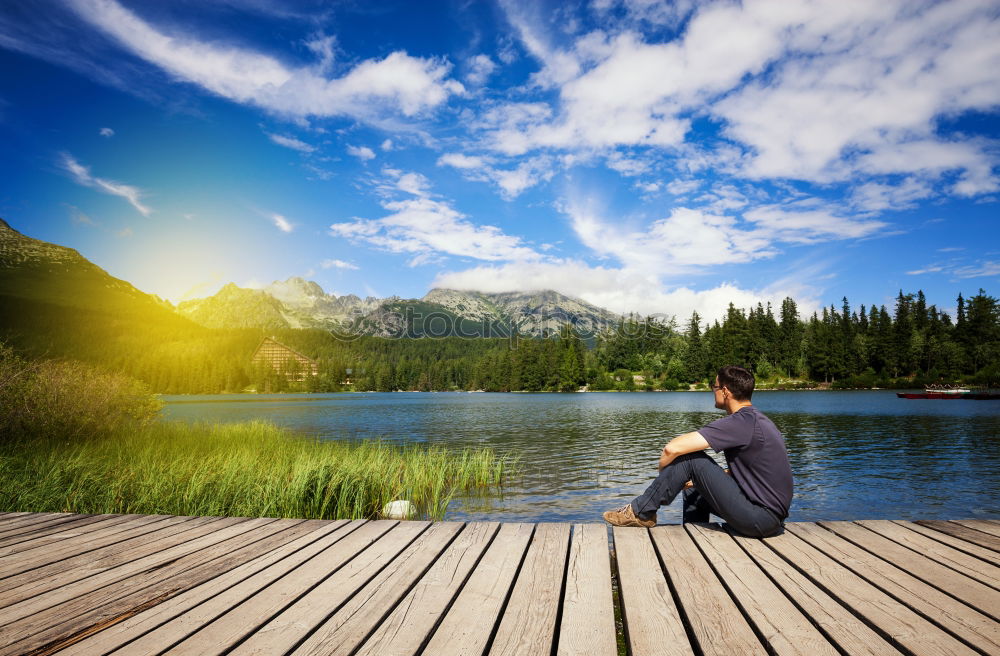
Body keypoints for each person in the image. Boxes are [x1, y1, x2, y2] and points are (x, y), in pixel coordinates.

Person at [603, 365, 792, 537]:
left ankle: (640, 512)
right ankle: (693, 538)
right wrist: (685, 479)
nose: (713, 391)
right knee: (693, 488)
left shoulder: (741, 422)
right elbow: (755, 473)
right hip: (769, 518)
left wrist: (665, 476)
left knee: (691, 459)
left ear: (725, 391)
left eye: (714, 386)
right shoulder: (757, 420)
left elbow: (672, 448)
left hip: (761, 519)